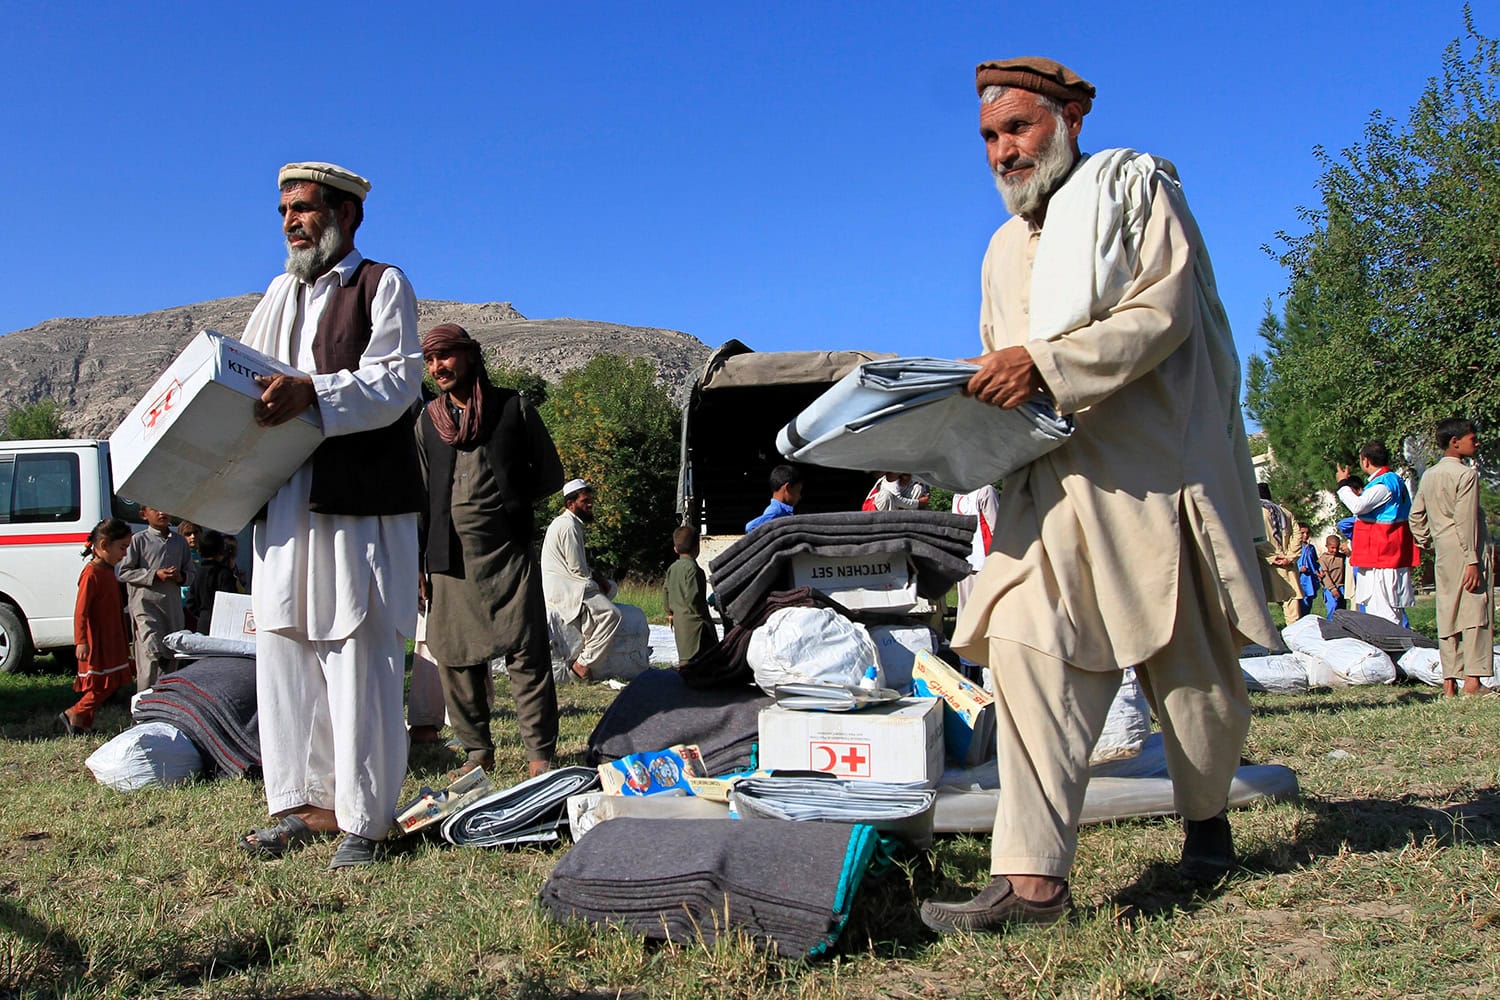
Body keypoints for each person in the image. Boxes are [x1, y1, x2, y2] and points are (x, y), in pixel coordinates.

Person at [922, 56, 1281, 935]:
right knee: (1024, 645)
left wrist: (1044, 365)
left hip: (1154, 481)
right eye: (990, 138)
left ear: (1071, 115)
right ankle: (1032, 881)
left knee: (1193, 685)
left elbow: (1162, 318)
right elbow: (998, 365)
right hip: (1051, 487)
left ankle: (1207, 822)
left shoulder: (1133, 191)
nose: (1004, 151)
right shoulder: (1002, 250)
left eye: (1019, 129)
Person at [236, 161, 423, 870]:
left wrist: (312, 392)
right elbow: (244, 375)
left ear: (347, 214)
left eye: (305, 207)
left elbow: (396, 381)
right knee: (285, 646)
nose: (291, 221)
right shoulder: (278, 293)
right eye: (283, 209)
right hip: (285, 501)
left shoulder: (382, 284)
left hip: (357, 507)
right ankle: (299, 806)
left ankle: (366, 821)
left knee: (356, 648)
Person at [416, 323, 564, 778]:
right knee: (454, 658)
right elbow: (421, 495)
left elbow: (551, 475)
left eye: (446, 355)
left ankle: (539, 753)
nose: (438, 367)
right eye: (431, 359)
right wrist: (420, 563)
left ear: (470, 356)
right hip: (449, 562)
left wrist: (510, 503)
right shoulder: (427, 422)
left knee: (527, 655)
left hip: (508, 555)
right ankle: (477, 751)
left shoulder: (514, 409)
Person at [1408, 418, 1494, 697]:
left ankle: (1449, 682)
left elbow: (1415, 516)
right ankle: (1473, 680)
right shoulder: (1465, 475)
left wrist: (1427, 542)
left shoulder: (1430, 475)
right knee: (1475, 613)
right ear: (1455, 442)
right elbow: (1465, 519)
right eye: (1472, 438)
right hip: (1467, 548)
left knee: (1447, 613)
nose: (1476, 442)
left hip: (1444, 550)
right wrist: (1472, 560)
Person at [59, 519, 134, 735]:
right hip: (97, 640)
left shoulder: (107, 571)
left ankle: (81, 722)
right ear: (103, 546)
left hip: (111, 637)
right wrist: (80, 640)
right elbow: (81, 611)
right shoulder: (91, 574)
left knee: (102, 684)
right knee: (104, 685)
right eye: (122, 548)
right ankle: (74, 713)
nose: (124, 554)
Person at [541, 481, 621, 682]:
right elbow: (577, 569)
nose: (590, 504)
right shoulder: (568, 526)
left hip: (570, 583)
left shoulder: (571, 524)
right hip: (566, 587)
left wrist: (600, 581)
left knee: (611, 588)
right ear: (570, 504)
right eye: (585, 501)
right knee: (612, 614)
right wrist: (596, 584)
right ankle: (582, 664)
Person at [1336, 442, 1418, 625]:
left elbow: (1358, 506)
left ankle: (1392, 650)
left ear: (1365, 461)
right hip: (1379, 556)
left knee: (1385, 614)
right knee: (1377, 611)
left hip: (1383, 556)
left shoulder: (1385, 482)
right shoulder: (1388, 481)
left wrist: (1343, 484)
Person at [116, 505, 194, 691]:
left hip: (172, 608)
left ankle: (165, 705)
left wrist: (180, 577)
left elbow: (191, 573)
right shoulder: (138, 541)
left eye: (165, 508)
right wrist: (153, 575)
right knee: (151, 655)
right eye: (155, 509)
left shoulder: (179, 542)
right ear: (144, 514)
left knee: (171, 655)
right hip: (146, 609)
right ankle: (144, 707)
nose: (162, 512)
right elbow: (124, 572)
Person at [663, 525, 717, 662]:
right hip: (696, 623)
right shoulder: (694, 570)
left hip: (679, 620)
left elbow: (666, 591)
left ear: (675, 549)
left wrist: (670, 612)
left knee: (685, 657)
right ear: (697, 548)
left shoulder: (672, 569)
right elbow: (694, 597)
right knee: (706, 656)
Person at [1257, 483, 1303, 623]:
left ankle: (1270, 642)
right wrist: (1289, 556)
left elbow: (1255, 539)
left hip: (1266, 564)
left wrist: (1272, 557)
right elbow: (1298, 534)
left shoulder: (1255, 512)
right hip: (1287, 564)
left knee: (1261, 604)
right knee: (1292, 607)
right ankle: (1293, 640)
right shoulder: (1285, 512)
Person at [952, 484, 1001, 616]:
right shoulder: (986, 491)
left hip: (964, 558)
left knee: (966, 607)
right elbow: (997, 527)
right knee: (987, 607)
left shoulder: (958, 493)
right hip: (983, 559)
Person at [185, 529, 241, 634]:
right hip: (222, 622)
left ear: (199, 551)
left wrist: (203, 615)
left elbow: (190, 602)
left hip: (203, 622)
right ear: (222, 550)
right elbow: (231, 600)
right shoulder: (225, 573)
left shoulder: (199, 573)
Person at [745, 465, 803, 531]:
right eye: (798, 491)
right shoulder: (776, 511)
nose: (799, 496)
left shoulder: (782, 511)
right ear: (788, 487)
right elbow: (750, 527)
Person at [861, 472, 930, 511]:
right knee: (886, 496)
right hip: (874, 508)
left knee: (918, 488)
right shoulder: (892, 477)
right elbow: (898, 500)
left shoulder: (915, 480)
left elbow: (925, 500)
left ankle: (906, 520)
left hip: (897, 506)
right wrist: (918, 503)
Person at [1318, 534, 1348, 620]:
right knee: (1332, 607)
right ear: (1326, 546)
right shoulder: (1323, 559)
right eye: (1332, 548)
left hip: (1341, 586)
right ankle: (1330, 625)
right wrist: (1332, 588)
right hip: (1330, 588)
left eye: (1337, 548)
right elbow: (1325, 575)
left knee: (1342, 609)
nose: (1335, 550)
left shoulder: (1342, 557)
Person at [1295, 524, 1320, 619]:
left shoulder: (1311, 548)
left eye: (1307, 533)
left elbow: (1315, 562)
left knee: (1308, 602)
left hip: (1310, 579)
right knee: (1300, 604)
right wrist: (1299, 568)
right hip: (1299, 580)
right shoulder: (1295, 547)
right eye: (1302, 533)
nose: (1305, 535)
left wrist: (1318, 571)